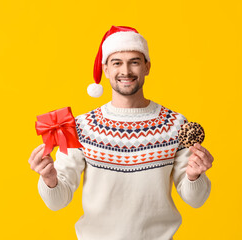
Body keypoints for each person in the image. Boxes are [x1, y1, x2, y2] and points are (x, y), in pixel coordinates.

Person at [28, 25, 214, 240]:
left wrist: (194, 176)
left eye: (134, 62)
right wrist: (49, 178)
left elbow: (196, 200)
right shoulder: (81, 127)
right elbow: (57, 202)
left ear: (147, 67)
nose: (125, 71)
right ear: (106, 70)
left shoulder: (176, 124)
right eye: (117, 63)